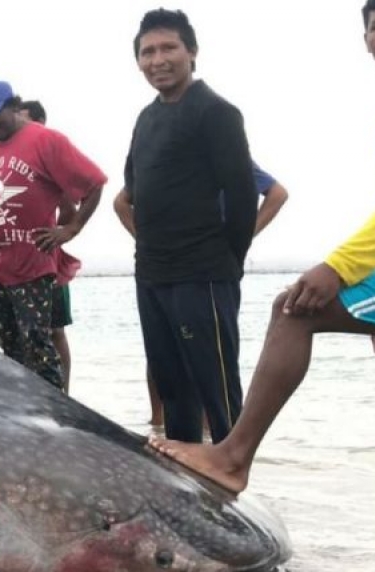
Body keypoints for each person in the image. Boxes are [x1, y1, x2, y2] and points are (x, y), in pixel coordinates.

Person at [150, 0, 375, 494]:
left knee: (295, 311)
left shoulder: (214, 114)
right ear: (367, 41)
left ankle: (231, 457)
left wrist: (341, 267)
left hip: (207, 267)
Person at [119, 9, 258, 444]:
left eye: (168, 48)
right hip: (153, 273)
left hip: (203, 274)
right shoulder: (146, 118)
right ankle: (186, 490)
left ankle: (234, 493)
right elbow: (134, 192)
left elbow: (241, 197)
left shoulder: (217, 113)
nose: (157, 59)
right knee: (173, 389)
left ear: (191, 52)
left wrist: (226, 263)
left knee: (217, 391)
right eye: (147, 52)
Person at [115, 162, 291, 427]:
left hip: (212, 268)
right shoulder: (160, 158)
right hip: (162, 267)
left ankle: (215, 428)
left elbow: (278, 194)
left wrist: (244, 235)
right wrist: (145, 241)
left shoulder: (228, 156)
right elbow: (120, 202)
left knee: (211, 349)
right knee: (162, 349)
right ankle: (158, 422)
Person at [0, 81, 106, 390]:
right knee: (10, 351)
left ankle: (56, 422)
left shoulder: (46, 140)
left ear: (14, 106)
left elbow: (94, 184)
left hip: (31, 268)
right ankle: (21, 423)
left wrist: (71, 228)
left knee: (39, 348)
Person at [14, 99, 80, 393]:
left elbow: (69, 208)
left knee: (54, 330)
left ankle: (64, 393)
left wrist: (60, 233)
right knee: (24, 333)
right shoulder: (17, 159)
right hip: (17, 262)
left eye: (25, 121)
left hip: (49, 261)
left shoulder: (50, 158)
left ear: (40, 122)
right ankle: (31, 390)